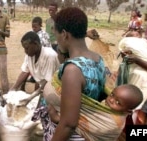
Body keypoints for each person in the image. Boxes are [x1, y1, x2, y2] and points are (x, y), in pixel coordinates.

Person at [34, 7, 106, 141]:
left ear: (65, 34)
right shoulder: (98, 59)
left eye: (56, 35)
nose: (57, 41)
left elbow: (68, 124)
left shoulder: (72, 70)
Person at [10, 31, 60, 98]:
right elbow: (25, 72)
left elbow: (47, 82)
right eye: (24, 48)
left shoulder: (49, 56)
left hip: (56, 91)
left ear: (36, 44)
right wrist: (13, 89)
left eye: (27, 48)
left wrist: (32, 96)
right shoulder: (29, 55)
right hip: (44, 88)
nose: (25, 51)